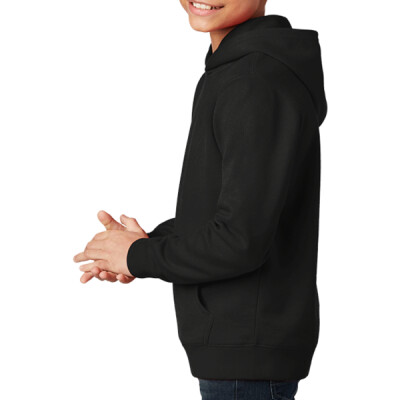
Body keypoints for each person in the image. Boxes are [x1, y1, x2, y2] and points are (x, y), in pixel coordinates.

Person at [73, 0, 328, 398]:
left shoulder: (254, 80)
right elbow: (233, 212)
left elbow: (240, 240)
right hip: (240, 350)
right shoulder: (234, 71)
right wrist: (144, 245)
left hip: (246, 357)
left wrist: (139, 256)